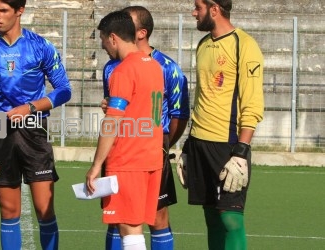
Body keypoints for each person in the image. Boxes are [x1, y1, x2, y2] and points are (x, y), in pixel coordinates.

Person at [0, 0, 72, 249]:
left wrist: (30, 107)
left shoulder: (41, 46)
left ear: (19, 11)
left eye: (3, 11)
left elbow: (65, 90)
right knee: (9, 211)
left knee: (44, 210)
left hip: (34, 126)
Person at [100, 6, 190, 250]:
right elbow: (118, 109)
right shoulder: (112, 66)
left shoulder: (167, 67)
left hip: (151, 146)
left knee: (157, 217)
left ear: (141, 32)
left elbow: (179, 114)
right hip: (121, 145)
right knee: (116, 215)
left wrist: (164, 143)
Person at [178, 0, 264, 249]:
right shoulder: (203, 44)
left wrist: (241, 151)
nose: (194, 13)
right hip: (199, 143)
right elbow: (202, 98)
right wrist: (188, 144)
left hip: (227, 144)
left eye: (198, 7)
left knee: (231, 218)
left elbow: (252, 102)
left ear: (214, 9)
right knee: (211, 218)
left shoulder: (244, 45)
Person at [85, 10, 164, 250]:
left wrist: (97, 165)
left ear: (113, 38)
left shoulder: (122, 71)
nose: (104, 47)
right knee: (136, 226)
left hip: (128, 161)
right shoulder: (154, 66)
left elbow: (112, 122)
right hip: (151, 158)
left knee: (129, 229)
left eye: (103, 41)